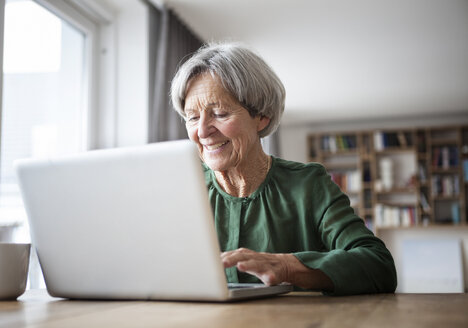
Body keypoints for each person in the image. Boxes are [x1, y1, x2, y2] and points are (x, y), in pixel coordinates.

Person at [170, 43, 397, 295]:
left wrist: (288, 267)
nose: (202, 131)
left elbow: (379, 265)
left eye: (220, 114)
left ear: (262, 116)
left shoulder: (309, 185)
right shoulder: (182, 190)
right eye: (192, 117)